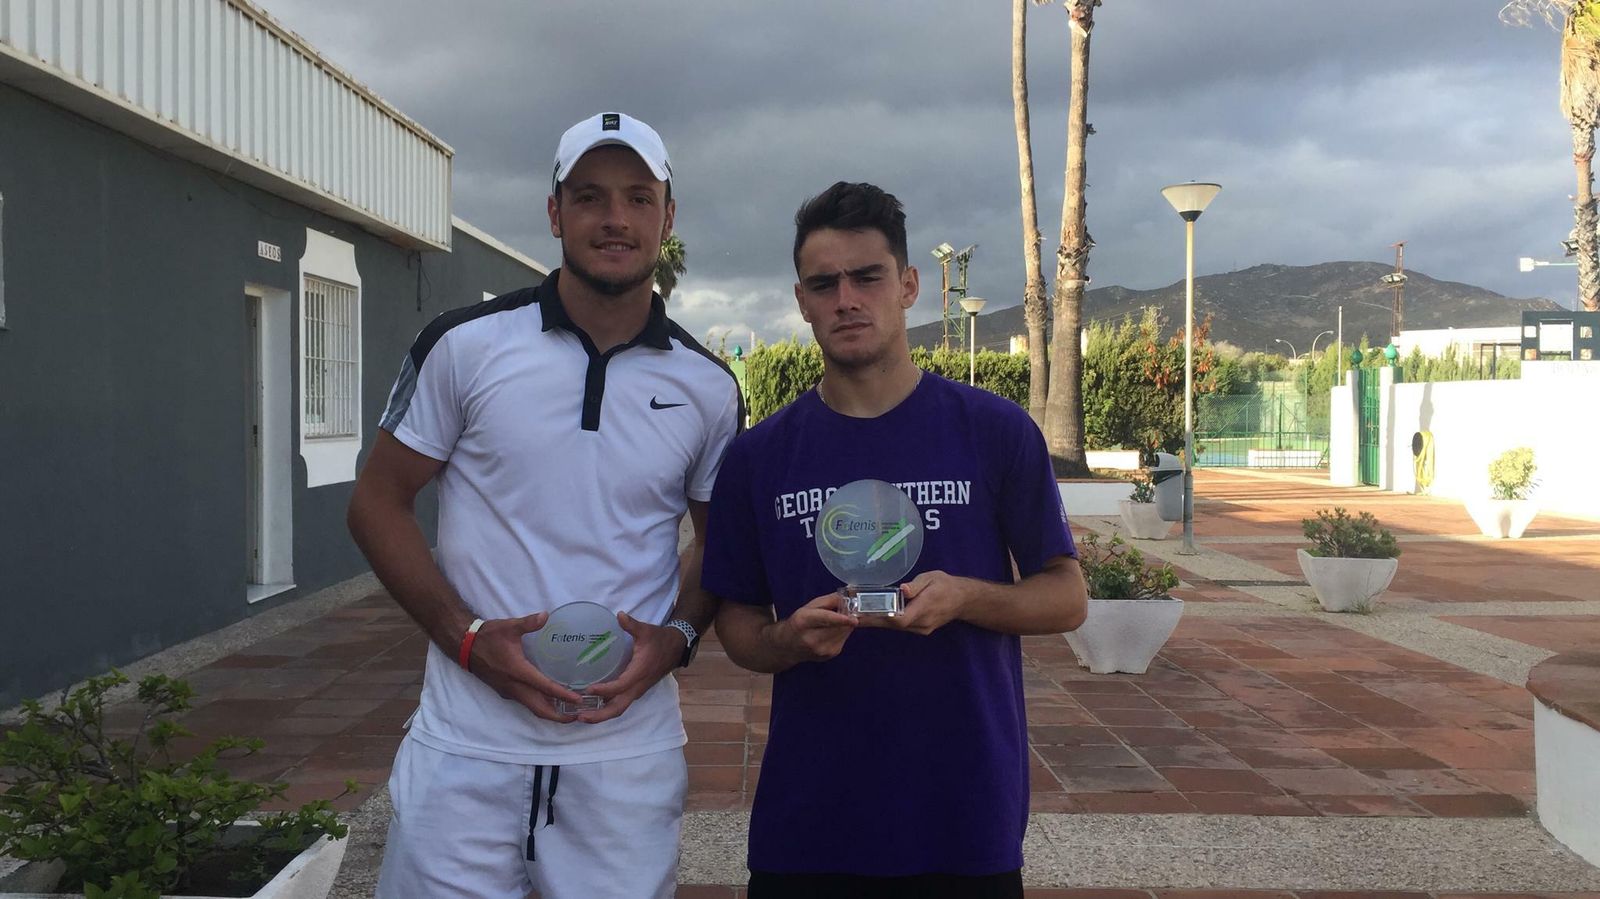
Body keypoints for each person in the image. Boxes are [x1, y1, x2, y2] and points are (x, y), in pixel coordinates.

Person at [347, 111, 742, 899]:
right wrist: (465, 639)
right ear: (556, 212)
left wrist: (677, 639)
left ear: (668, 216)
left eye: (638, 197)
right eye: (590, 196)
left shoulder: (707, 386)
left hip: (623, 753)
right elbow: (377, 502)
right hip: (465, 743)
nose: (615, 218)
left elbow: (719, 542)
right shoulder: (464, 345)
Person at [701, 181, 1088, 899]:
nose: (846, 299)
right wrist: (789, 640)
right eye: (824, 284)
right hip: (808, 828)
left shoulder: (995, 431)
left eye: (867, 277)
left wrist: (966, 597)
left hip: (963, 822)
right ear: (802, 300)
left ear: (908, 286)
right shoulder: (759, 457)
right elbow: (739, 624)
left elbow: (1067, 597)